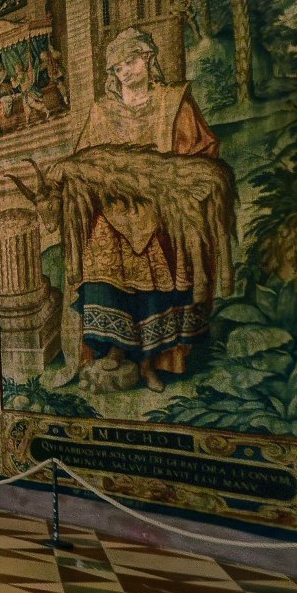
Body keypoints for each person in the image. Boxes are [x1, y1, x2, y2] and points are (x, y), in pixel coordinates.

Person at [45, 28, 236, 392]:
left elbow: (200, 154)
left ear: (149, 59)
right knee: (102, 267)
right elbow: (87, 160)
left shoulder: (174, 102)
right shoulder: (102, 112)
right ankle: (116, 351)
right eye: (117, 68)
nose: (125, 72)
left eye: (131, 62)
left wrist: (174, 182)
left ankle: (150, 362)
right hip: (114, 211)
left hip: (162, 211)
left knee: (157, 276)